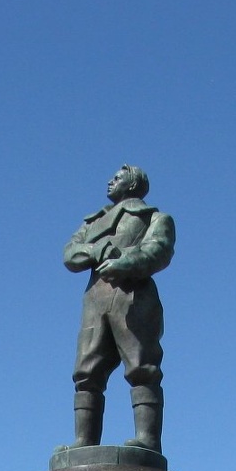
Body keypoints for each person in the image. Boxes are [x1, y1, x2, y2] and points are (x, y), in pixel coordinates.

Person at [63, 165, 175, 453]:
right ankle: (84, 442)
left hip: (133, 297)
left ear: (133, 182)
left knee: (143, 367)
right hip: (95, 300)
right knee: (86, 372)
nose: (110, 181)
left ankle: (148, 439)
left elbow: (158, 250)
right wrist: (95, 251)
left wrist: (124, 262)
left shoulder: (154, 218)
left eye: (118, 177)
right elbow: (70, 253)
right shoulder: (93, 223)